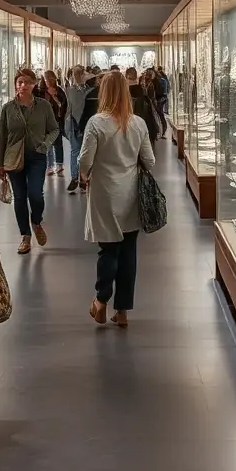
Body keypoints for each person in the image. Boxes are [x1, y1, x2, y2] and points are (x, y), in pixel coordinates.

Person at [78, 70, 155, 328]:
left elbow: (85, 161)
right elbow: (150, 161)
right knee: (129, 252)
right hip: (131, 192)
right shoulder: (138, 124)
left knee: (108, 248)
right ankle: (122, 311)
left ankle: (101, 301)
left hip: (104, 192)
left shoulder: (97, 123)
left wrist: (84, 174)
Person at [0, 68, 59, 255]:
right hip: (14, 158)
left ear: (33, 84)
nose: (22, 86)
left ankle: (37, 221)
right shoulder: (8, 108)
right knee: (20, 197)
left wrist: (45, 145)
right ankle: (25, 236)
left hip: (37, 157)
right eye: (19, 82)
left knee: (36, 194)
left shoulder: (43, 106)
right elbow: (1, 136)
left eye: (26, 82)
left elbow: (54, 129)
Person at [36, 70, 68, 177]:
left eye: (50, 79)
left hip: (56, 120)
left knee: (58, 143)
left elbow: (64, 104)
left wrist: (55, 96)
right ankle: (49, 166)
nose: (48, 81)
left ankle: (59, 164)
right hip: (45, 120)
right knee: (47, 143)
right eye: (46, 79)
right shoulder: (41, 91)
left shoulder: (59, 90)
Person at [65, 65, 89, 192]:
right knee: (76, 151)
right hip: (74, 124)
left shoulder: (88, 90)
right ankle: (75, 177)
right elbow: (68, 110)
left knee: (83, 152)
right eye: (76, 74)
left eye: (79, 73)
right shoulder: (69, 90)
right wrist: (67, 127)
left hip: (85, 125)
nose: (77, 76)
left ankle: (82, 178)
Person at [125, 67, 159, 144]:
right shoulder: (143, 93)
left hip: (131, 136)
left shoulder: (126, 94)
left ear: (128, 77)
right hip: (144, 133)